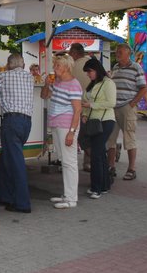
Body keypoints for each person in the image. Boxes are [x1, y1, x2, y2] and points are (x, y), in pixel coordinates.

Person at [40, 54, 82, 209]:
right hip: (57, 124)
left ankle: (71, 199)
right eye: (55, 65)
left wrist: (72, 132)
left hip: (66, 125)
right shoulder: (56, 81)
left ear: (66, 67)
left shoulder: (74, 84)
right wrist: (46, 84)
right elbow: (44, 95)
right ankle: (67, 195)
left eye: (58, 65)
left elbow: (77, 110)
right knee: (64, 160)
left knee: (69, 161)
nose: (54, 68)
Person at [0, 53, 34, 213]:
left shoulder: (2, 77)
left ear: (8, 64)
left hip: (11, 121)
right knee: (5, 158)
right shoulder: (30, 78)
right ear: (23, 65)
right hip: (26, 123)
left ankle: (22, 203)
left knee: (16, 163)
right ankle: (5, 196)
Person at [107, 43, 147, 181]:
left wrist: (132, 104)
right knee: (110, 139)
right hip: (113, 107)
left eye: (120, 52)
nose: (117, 54)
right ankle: (111, 167)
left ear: (128, 54)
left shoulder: (136, 67)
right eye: (116, 51)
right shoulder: (115, 67)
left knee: (129, 138)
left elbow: (143, 88)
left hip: (127, 107)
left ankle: (131, 169)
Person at [81, 58, 116, 199]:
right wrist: (85, 114)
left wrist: (91, 105)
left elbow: (111, 103)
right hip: (93, 122)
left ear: (96, 70)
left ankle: (96, 188)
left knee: (96, 154)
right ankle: (104, 185)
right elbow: (85, 101)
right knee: (100, 154)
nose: (88, 74)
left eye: (89, 71)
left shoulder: (108, 83)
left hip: (105, 121)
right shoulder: (92, 84)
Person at [68, 43, 92, 172]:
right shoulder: (91, 62)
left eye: (70, 53)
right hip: (92, 106)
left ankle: (93, 159)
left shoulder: (73, 66)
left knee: (82, 136)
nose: (69, 55)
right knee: (89, 135)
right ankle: (88, 162)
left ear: (75, 53)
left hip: (79, 107)